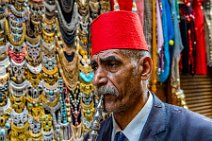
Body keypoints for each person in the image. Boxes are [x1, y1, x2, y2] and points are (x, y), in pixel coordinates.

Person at [85, 3, 212, 141]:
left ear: (145, 68)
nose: (97, 79)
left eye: (112, 64)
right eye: (95, 67)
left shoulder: (200, 134)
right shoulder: (95, 137)